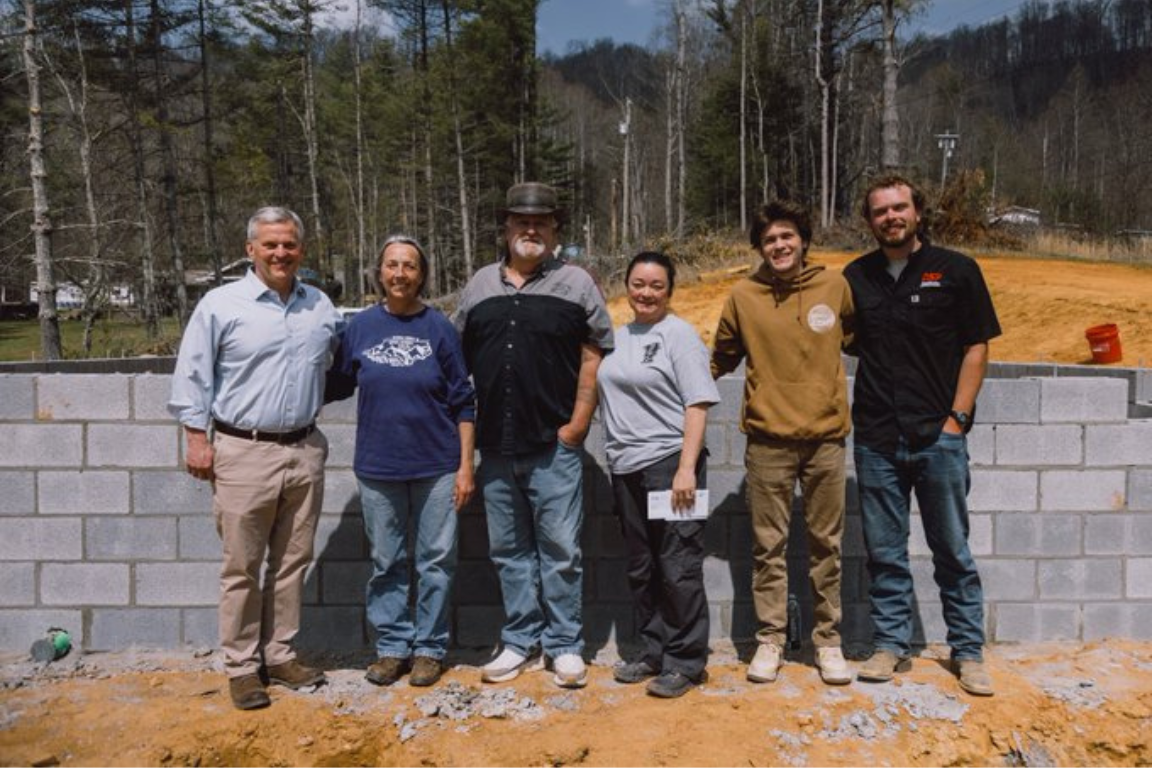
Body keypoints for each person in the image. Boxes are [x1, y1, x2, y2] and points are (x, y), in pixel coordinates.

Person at [168, 206, 341, 710]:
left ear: (301, 250)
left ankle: (280, 653)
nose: (281, 253)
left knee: (292, 562)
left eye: (289, 244)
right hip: (242, 449)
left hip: (304, 449)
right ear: (251, 250)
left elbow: (339, 365)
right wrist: (197, 439)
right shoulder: (222, 305)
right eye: (270, 245)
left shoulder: (320, 307)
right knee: (242, 565)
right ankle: (243, 668)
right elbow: (192, 377)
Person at [843, 174, 1001, 697]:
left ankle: (968, 651)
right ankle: (891, 645)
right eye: (880, 210)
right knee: (885, 551)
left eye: (899, 207)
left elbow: (976, 347)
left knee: (951, 548)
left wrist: (956, 420)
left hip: (938, 436)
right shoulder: (856, 277)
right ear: (869, 221)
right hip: (876, 437)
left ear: (917, 212)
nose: (891, 217)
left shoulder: (956, 270)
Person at [454, 182, 614, 689]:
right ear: (506, 228)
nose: (531, 229)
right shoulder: (479, 285)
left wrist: (578, 423)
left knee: (561, 549)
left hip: (554, 446)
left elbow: (595, 352)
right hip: (495, 448)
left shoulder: (577, 284)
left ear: (554, 230)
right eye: (521, 222)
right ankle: (520, 640)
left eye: (541, 222)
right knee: (510, 552)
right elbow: (457, 355)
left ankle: (564, 645)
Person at [711, 200, 856, 686]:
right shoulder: (743, 296)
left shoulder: (834, 287)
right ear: (759, 247)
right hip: (768, 442)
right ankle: (769, 640)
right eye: (770, 239)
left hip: (827, 442)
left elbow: (859, 338)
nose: (779, 245)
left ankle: (829, 643)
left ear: (804, 240)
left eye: (787, 236)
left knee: (826, 547)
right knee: (767, 547)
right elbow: (720, 358)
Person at [326, 235, 476, 688]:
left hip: (437, 466)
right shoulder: (360, 328)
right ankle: (392, 647)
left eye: (409, 265)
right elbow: (333, 383)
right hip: (378, 468)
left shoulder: (439, 329)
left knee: (435, 560)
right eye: (392, 264)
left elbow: (464, 402)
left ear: (421, 274)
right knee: (387, 561)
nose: (400, 273)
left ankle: (430, 648)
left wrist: (466, 465)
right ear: (379, 272)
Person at [596, 251, 719, 699]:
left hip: (669, 463)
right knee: (642, 566)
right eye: (638, 284)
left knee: (678, 564)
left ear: (670, 291)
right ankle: (653, 652)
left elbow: (698, 404)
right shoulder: (619, 335)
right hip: (624, 466)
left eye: (656, 286)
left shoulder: (679, 335)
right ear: (626, 285)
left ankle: (686, 662)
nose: (646, 293)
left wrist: (686, 469)